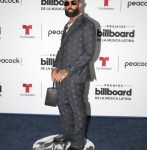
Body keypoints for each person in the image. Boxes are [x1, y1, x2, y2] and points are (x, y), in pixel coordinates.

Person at [51, 0, 96, 149]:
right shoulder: (67, 26)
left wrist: (67, 70)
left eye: (73, 2)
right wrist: (54, 67)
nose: (69, 6)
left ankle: (78, 143)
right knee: (62, 104)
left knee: (77, 108)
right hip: (61, 76)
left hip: (76, 76)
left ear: (81, 4)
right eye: (66, 3)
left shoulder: (87, 25)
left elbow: (88, 53)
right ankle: (69, 134)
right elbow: (61, 50)